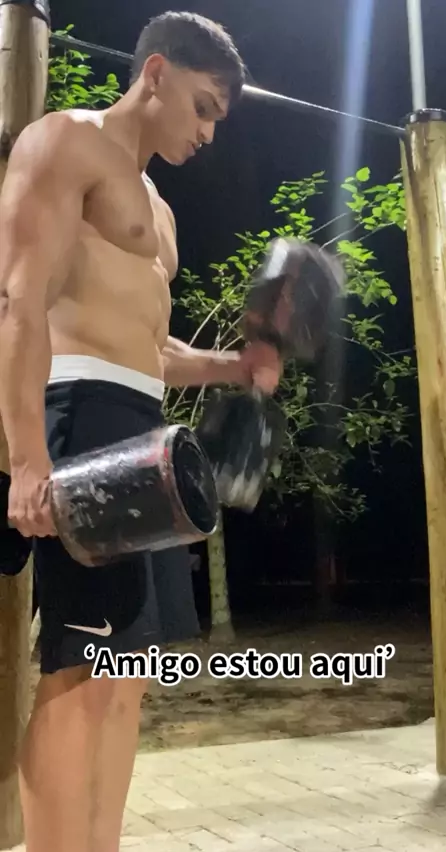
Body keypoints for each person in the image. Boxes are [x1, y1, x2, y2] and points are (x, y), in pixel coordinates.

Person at [0, 11, 282, 852]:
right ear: (155, 73)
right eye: (202, 107)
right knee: (82, 667)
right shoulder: (66, 143)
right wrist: (27, 458)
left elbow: (148, 348)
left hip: (141, 429)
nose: (208, 132)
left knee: (130, 674)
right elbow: (19, 300)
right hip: (76, 416)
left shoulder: (159, 212)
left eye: (218, 118)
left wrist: (234, 367)